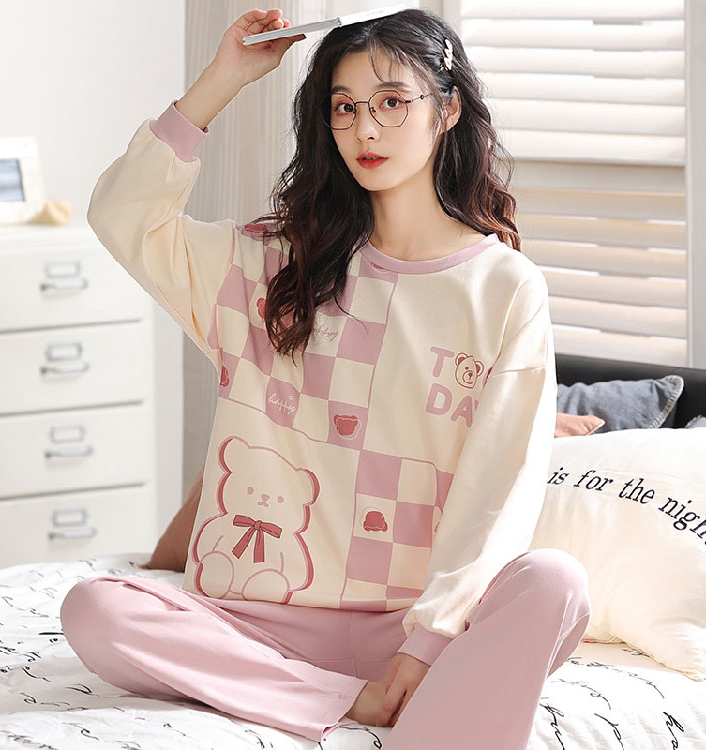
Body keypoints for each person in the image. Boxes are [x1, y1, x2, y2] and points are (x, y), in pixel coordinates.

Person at [60, 7, 592, 749]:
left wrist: (428, 640)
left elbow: (500, 486)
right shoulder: (268, 267)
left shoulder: (504, 288)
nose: (365, 128)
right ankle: (352, 703)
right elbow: (122, 215)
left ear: (447, 110)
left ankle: (412, 707)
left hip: (415, 630)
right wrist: (224, 78)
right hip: (256, 624)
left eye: (391, 101)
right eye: (344, 107)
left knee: (557, 584)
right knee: (95, 609)